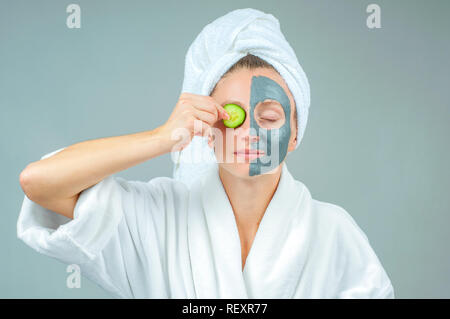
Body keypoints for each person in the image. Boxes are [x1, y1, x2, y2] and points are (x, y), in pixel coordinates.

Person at [17, 8, 395, 299]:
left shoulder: (333, 232)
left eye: (269, 116)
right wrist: (161, 137)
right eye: (232, 117)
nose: (249, 131)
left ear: (295, 134)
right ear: (207, 131)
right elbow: (38, 182)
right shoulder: (159, 216)